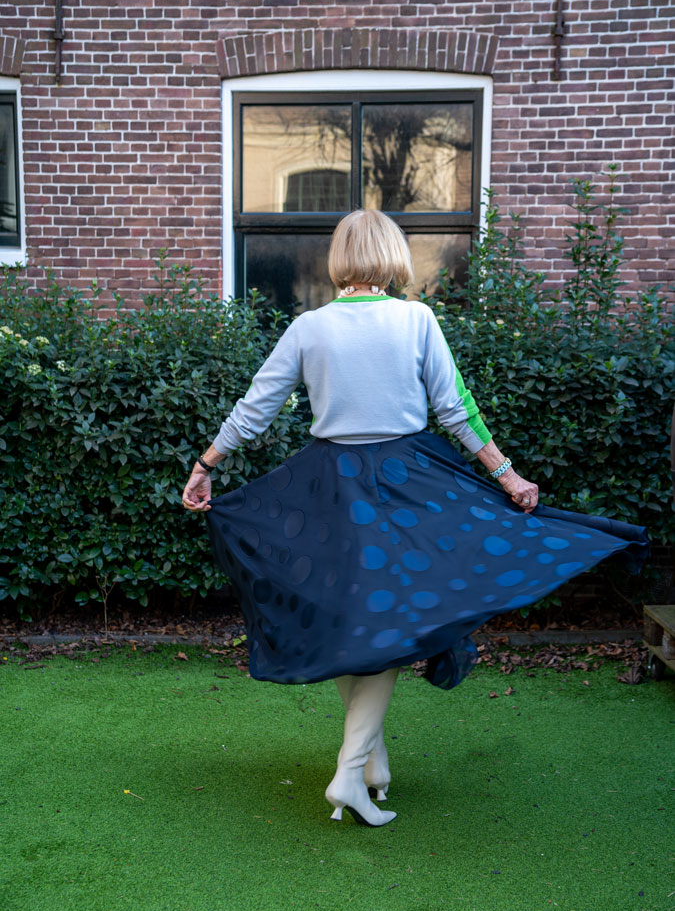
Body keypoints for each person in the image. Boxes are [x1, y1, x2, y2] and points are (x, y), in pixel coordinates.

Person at [182, 209, 649, 828]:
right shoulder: (416, 319)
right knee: (380, 627)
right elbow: (456, 409)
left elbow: (256, 408)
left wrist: (205, 462)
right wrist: (506, 474)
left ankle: (370, 764)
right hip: (406, 484)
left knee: (358, 621)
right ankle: (351, 775)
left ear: (341, 256)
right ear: (393, 256)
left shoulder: (309, 328)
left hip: (328, 490)